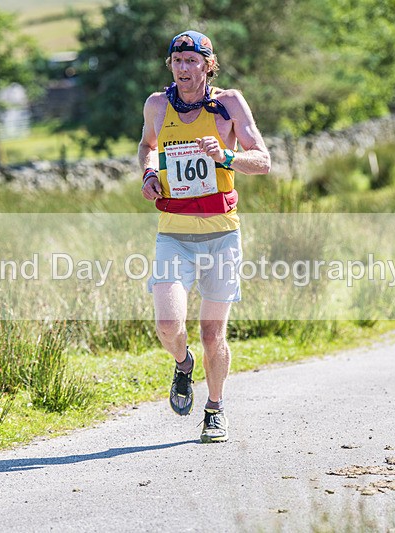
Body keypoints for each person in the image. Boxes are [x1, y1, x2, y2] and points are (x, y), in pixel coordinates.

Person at [138, 30, 271, 443]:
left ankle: (214, 409)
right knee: (167, 323)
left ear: (208, 66)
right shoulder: (157, 105)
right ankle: (182, 363)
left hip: (221, 236)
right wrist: (147, 174)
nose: (183, 69)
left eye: (192, 62)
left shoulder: (228, 104)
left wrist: (226, 156)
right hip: (173, 233)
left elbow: (263, 161)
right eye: (177, 62)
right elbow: (147, 145)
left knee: (213, 333)